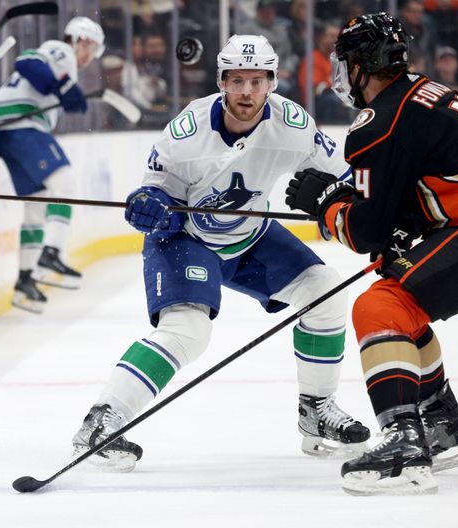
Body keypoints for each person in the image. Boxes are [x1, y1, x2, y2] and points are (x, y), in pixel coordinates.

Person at [285, 13, 458, 495]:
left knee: (380, 305)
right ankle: (445, 425)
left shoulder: (379, 121)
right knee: (402, 304)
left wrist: (327, 206)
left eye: (345, 61)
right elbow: (422, 189)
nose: (341, 72)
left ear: (362, 66)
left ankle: (403, 443)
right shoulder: (419, 95)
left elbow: (368, 229)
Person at [72, 34, 370, 471]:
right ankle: (102, 421)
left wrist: (365, 206)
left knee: (325, 291)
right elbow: (154, 194)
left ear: (272, 82)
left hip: (251, 235)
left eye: (256, 81)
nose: (246, 92)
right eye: (236, 81)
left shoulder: (294, 124)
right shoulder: (187, 133)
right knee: (188, 331)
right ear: (221, 81)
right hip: (186, 240)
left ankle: (316, 411)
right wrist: (150, 206)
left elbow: (346, 175)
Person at [0, 16, 105, 313]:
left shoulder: (67, 68)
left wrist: (66, 92)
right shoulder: (60, 51)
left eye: (94, 48)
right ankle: (51, 252)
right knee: (65, 184)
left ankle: (24, 279)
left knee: (37, 205)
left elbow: (49, 85)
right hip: (21, 126)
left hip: (7, 129)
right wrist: (61, 86)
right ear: (73, 39)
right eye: (86, 43)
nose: (88, 53)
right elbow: (26, 63)